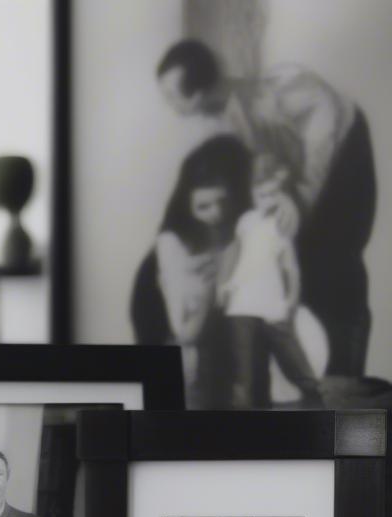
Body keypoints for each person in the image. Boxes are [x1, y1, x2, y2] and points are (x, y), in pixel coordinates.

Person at [156, 38, 376, 377]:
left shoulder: (272, 92)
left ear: (197, 92)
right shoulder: (220, 127)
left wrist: (300, 196)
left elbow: (323, 121)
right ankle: (322, 382)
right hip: (301, 181)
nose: (168, 105)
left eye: (171, 95)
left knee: (333, 265)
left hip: (345, 154)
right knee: (292, 267)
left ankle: (345, 381)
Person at [130, 134, 251, 407]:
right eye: (204, 206)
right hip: (183, 362)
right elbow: (185, 330)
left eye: (224, 202)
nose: (217, 215)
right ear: (187, 203)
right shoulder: (173, 246)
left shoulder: (245, 233)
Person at [218, 151, 321, 408]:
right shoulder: (245, 221)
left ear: (281, 194)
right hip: (241, 303)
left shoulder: (281, 224)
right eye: (261, 194)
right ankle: (248, 431)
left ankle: (319, 402)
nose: (266, 200)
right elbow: (236, 254)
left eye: (272, 194)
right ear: (252, 193)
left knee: (292, 359)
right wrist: (224, 285)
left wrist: (292, 298)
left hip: (271, 303)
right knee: (246, 372)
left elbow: (291, 267)